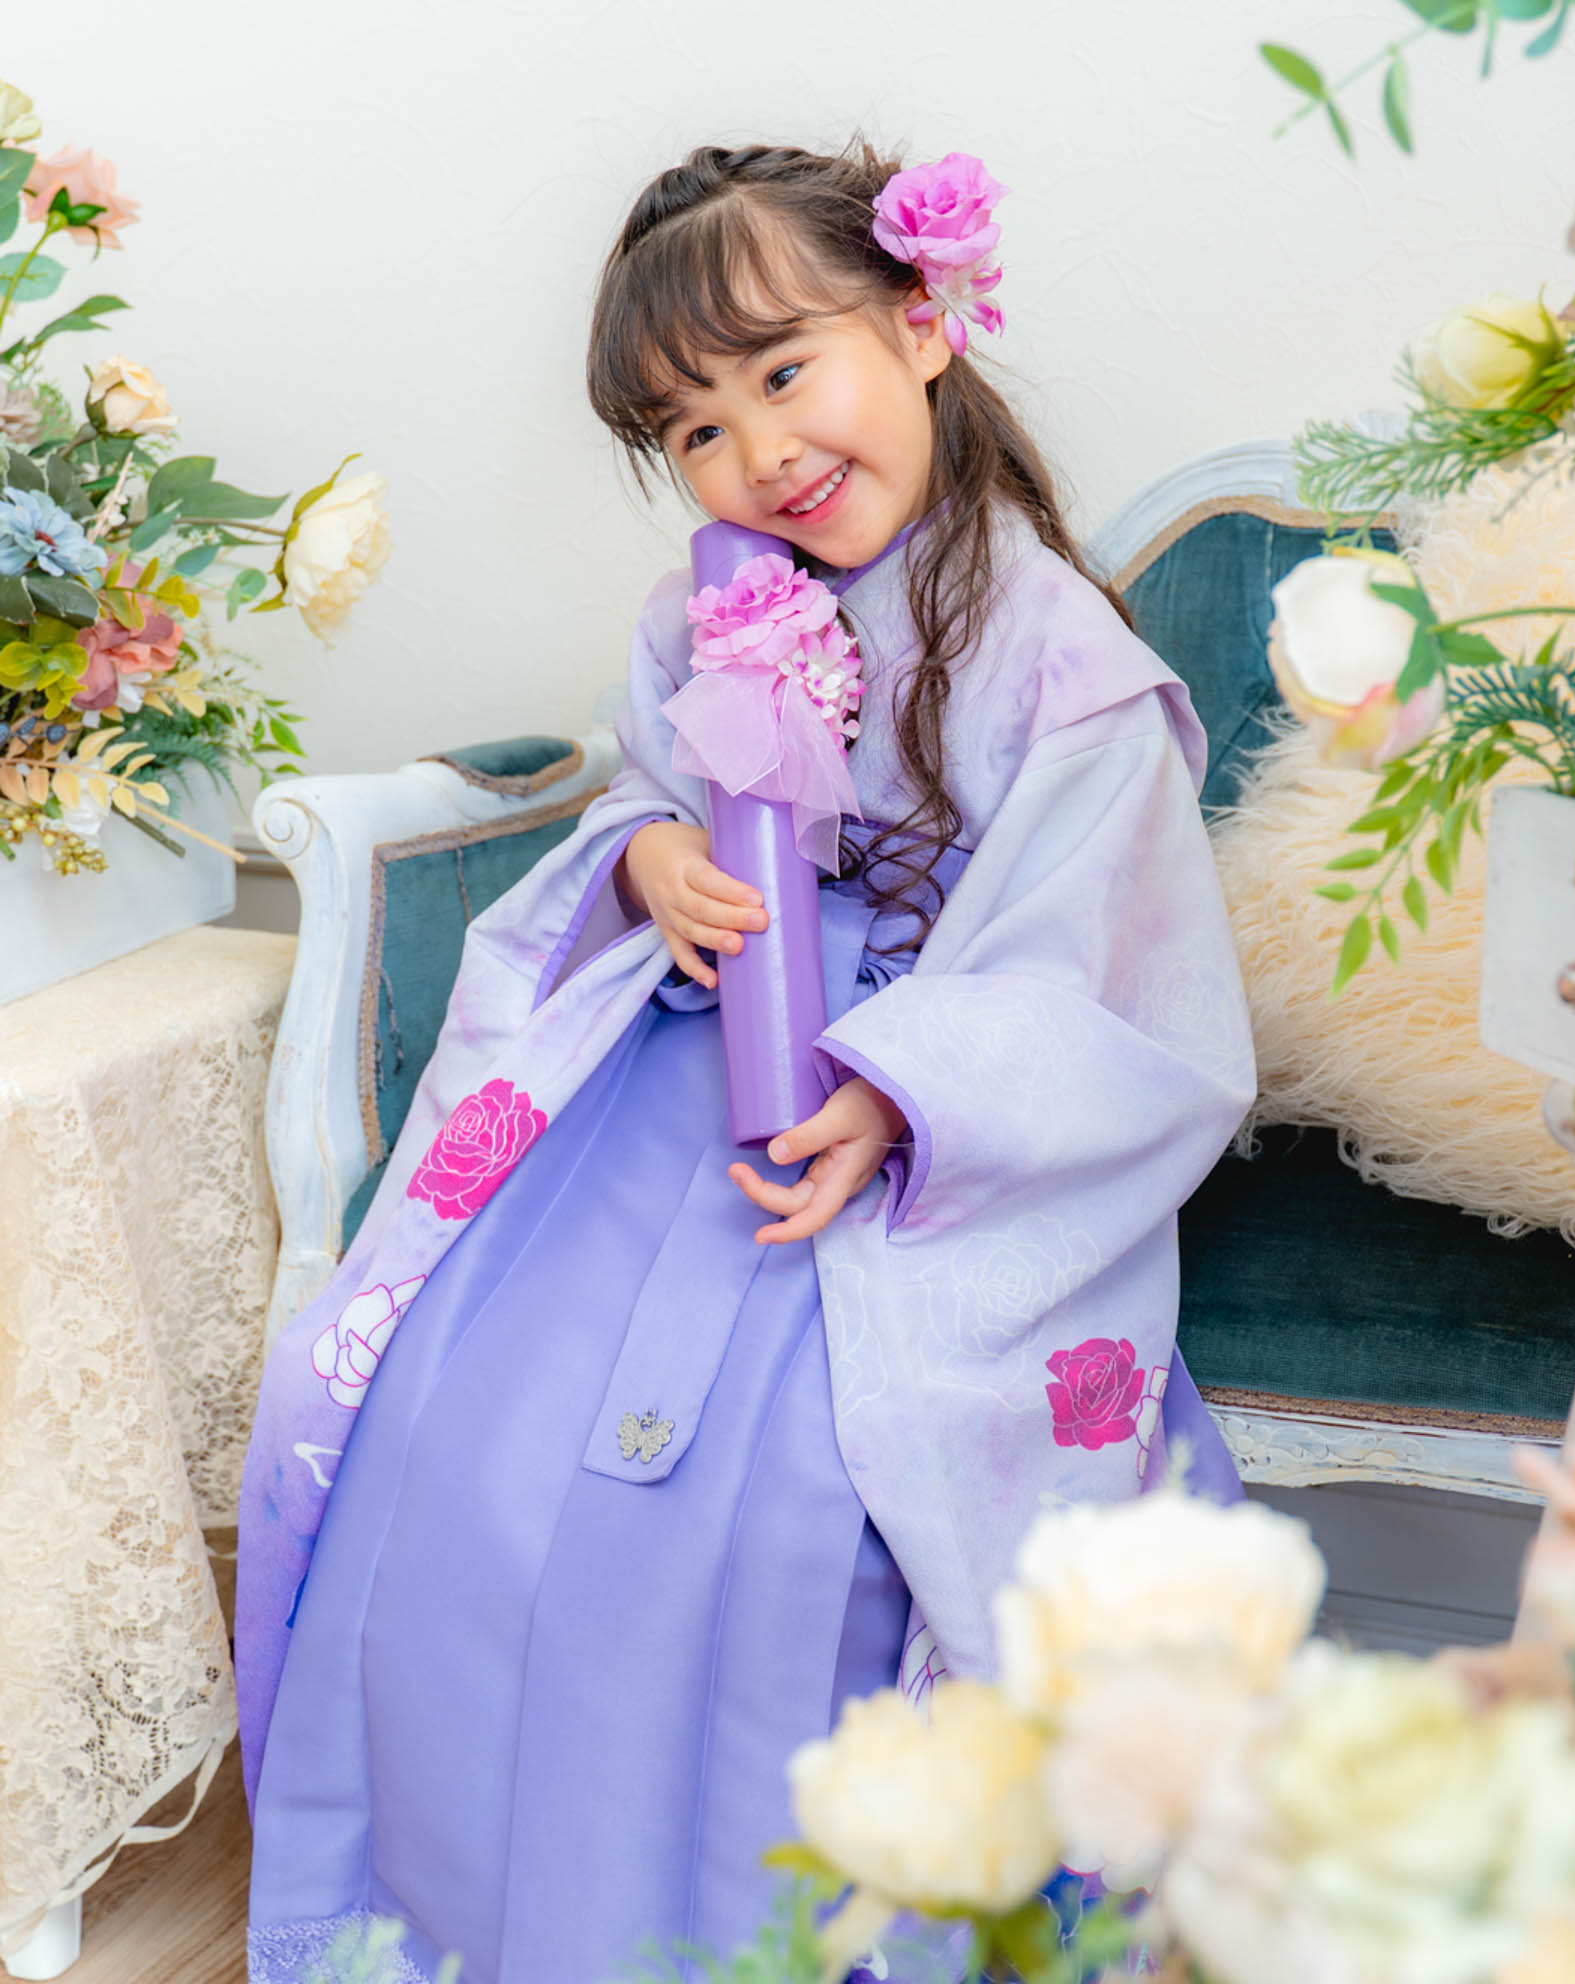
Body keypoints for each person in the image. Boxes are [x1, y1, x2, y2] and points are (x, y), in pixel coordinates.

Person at [236, 139, 1257, 1984]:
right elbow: (643, 783)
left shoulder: (1058, 658)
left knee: (791, 1491)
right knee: (446, 1406)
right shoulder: (702, 612)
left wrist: (901, 1087)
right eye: (696, 428)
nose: (760, 452)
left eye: (787, 372)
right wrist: (650, 855)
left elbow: (1103, 964)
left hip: (927, 1103)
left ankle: (760, 1920)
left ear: (923, 325)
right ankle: (456, 1900)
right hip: (692, 1062)